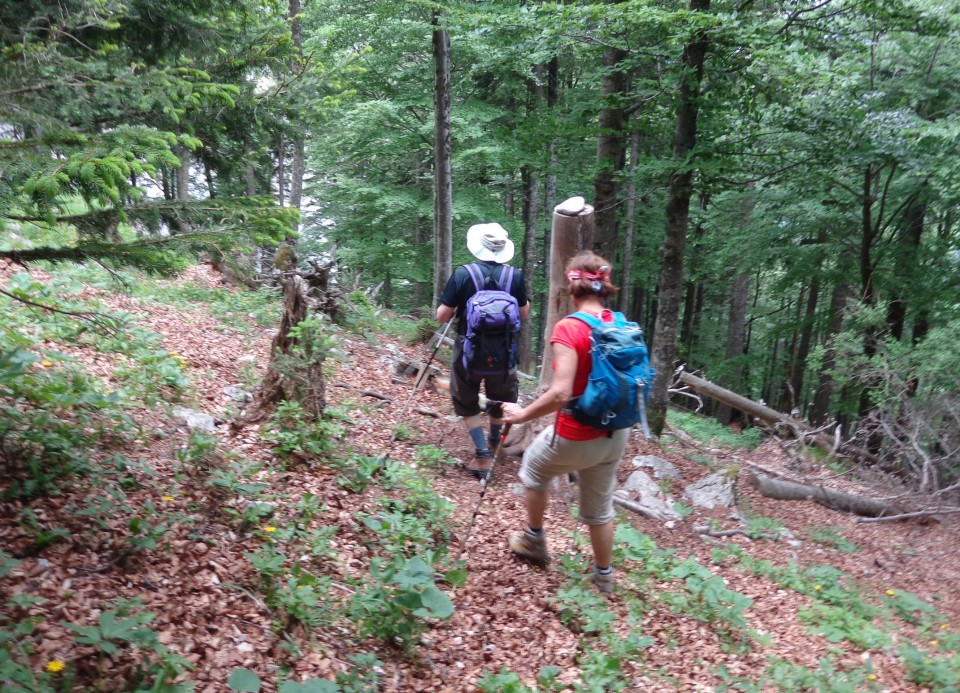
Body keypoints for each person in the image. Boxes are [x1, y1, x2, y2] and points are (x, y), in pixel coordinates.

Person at [500, 251, 627, 594]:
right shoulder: (618, 323)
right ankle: (604, 578)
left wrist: (523, 414)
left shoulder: (570, 327)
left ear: (571, 286)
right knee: (600, 510)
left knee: (533, 468)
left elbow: (561, 393)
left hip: (576, 433)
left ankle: (534, 542)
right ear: (603, 286)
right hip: (615, 433)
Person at [437, 223, 531, 480]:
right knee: (501, 399)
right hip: (504, 352)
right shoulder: (515, 276)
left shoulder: (462, 274)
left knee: (466, 398)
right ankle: (494, 442)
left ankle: (482, 455)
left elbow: (442, 316)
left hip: (468, 351)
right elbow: (523, 313)